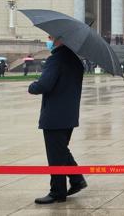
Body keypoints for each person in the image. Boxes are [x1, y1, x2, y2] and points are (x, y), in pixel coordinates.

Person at [28, 36, 87, 204]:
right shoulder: (75, 60)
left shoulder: (56, 59)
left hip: (54, 115)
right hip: (69, 114)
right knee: (61, 151)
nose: (49, 40)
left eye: (51, 37)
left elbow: (44, 85)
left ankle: (57, 192)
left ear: (60, 39)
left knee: (55, 156)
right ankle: (77, 180)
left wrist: (33, 86)